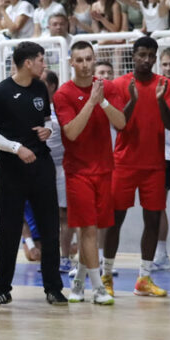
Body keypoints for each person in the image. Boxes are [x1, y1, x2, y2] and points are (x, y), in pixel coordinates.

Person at [0, 42, 67, 306]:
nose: (45, 65)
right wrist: (16, 148)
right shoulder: (0, 92)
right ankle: (2, 288)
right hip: (11, 169)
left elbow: (48, 118)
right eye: (41, 59)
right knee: (7, 229)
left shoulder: (41, 87)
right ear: (27, 63)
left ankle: (53, 288)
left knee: (50, 228)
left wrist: (48, 129)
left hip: (41, 165)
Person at [102, 38, 170, 297]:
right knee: (115, 220)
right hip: (123, 162)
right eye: (142, 54)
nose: (146, 59)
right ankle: (106, 276)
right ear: (133, 56)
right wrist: (132, 100)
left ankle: (144, 278)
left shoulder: (166, 84)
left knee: (153, 219)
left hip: (154, 164)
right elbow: (119, 124)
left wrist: (159, 102)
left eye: (151, 55)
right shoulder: (119, 85)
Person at [52, 41, 125, 304]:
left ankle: (79, 282)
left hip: (104, 169)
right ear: (71, 62)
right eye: (79, 60)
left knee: (90, 232)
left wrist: (101, 100)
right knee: (89, 229)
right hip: (78, 171)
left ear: (94, 60)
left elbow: (121, 123)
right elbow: (71, 132)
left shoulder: (108, 88)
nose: (84, 64)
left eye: (88, 59)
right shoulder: (63, 94)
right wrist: (91, 102)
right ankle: (99, 288)